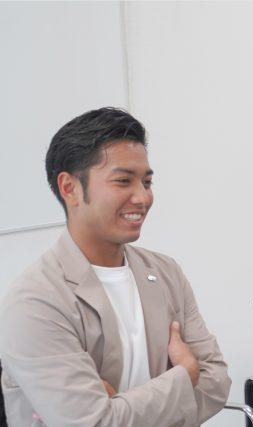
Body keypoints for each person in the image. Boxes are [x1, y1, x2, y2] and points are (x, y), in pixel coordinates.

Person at [0, 107, 232, 425]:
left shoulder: (166, 272)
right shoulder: (35, 301)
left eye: (147, 182)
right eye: (123, 181)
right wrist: (183, 375)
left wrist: (120, 407)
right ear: (70, 188)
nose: (143, 197)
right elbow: (94, 422)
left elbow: (216, 383)